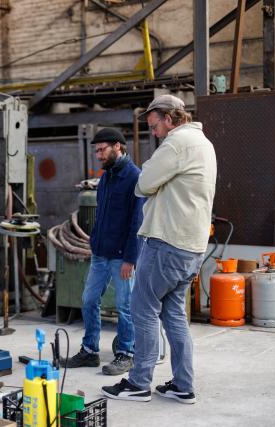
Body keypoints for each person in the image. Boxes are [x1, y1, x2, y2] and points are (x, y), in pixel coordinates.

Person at [102, 94, 216, 404]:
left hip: (166, 243)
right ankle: (183, 384)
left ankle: (139, 383)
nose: (154, 132)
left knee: (143, 310)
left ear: (170, 118)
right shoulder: (204, 143)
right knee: (173, 315)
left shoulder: (177, 144)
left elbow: (143, 183)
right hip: (191, 248)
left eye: (155, 126)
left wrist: (154, 170)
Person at [66, 128, 144, 376]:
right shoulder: (107, 177)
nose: (98, 155)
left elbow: (137, 222)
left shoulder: (134, 177)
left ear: (118, 147)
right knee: (89, 300)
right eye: (96, 150)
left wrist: (130, 258)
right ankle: (90, 351)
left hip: (122, 256)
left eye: (102, 150)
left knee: (125, 306)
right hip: (100, 254)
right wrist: (95, 244)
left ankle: (126, 354)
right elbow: (101, 216)